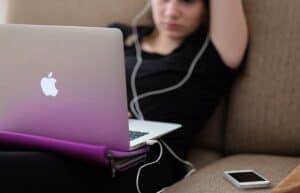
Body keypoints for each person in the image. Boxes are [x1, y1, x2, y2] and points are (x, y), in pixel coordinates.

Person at [0, 0, 248, 193]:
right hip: (84, 136)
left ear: (206, 8)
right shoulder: (117, 36)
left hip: (145, 157)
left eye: (187, 1)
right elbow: (70, 85)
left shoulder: (211, 54)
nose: (172, 11)